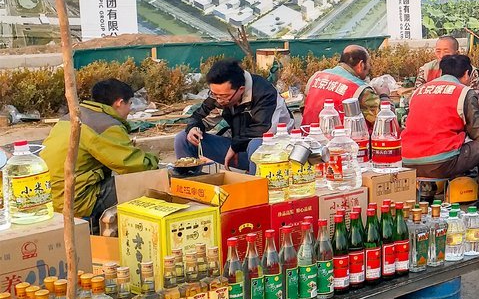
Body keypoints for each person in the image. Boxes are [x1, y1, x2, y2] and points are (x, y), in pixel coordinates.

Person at [40, 79, 159, 227]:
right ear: (119, 103)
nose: (130, 109)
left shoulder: (74, 116)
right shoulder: (104, 125)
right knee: (146, 182)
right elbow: (134, 165)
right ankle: (101, 227)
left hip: (49, 196)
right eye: (130, 104)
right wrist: (157, 162)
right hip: (74, 199)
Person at [402, 54, 479, 212]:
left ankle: (426, 196)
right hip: (440, 162)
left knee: (443, 142)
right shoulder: (464, 92)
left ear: (442, 72)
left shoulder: (419, 91)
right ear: (467, 74)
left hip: (408, 161)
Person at [175, 59, 292, 172]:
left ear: (241, 89)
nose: (219, 100)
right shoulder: (220, 96)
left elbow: (263, 129)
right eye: (215, 94)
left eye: (224, 96)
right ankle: (190, 185)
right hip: (238, 148)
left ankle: (256, 187)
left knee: (256, 144)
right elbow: (200, 117)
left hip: (276, 152)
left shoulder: (265, 93)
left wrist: (235, 146)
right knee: (184, 139)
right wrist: (194, 128)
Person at [301, 45, 382, 130]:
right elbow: (383, 123)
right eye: (369, 63)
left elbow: (303, 109)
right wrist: (384, 95)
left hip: (308, 137)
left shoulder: (316, 77)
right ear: (361, 65)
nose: (369, 67)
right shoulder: (362, 90)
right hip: (343, 141)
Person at [415, 35, 479, 92]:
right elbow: (417, 93)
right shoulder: (426, 70)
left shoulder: (469, 71)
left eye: (446, 52)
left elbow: (472, 97)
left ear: (457, 53)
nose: (441, 56)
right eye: (438, 51)